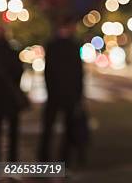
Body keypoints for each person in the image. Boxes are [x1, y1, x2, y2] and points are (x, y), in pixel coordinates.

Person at [38, 16, 85, 164]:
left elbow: (48, 72)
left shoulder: (52, 44)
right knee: (68, 128)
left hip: (54, 94)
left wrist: (50, 90)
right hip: (69, 94)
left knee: (48, 128)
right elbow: (79, 73)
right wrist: (78, 94)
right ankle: (64, 158)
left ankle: (44, 157)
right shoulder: (73, 45)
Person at [0, 24, 24, 162]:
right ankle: (12, 163)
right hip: (12, 99)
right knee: (13, 135)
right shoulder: (13, 52)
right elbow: (19, 72)